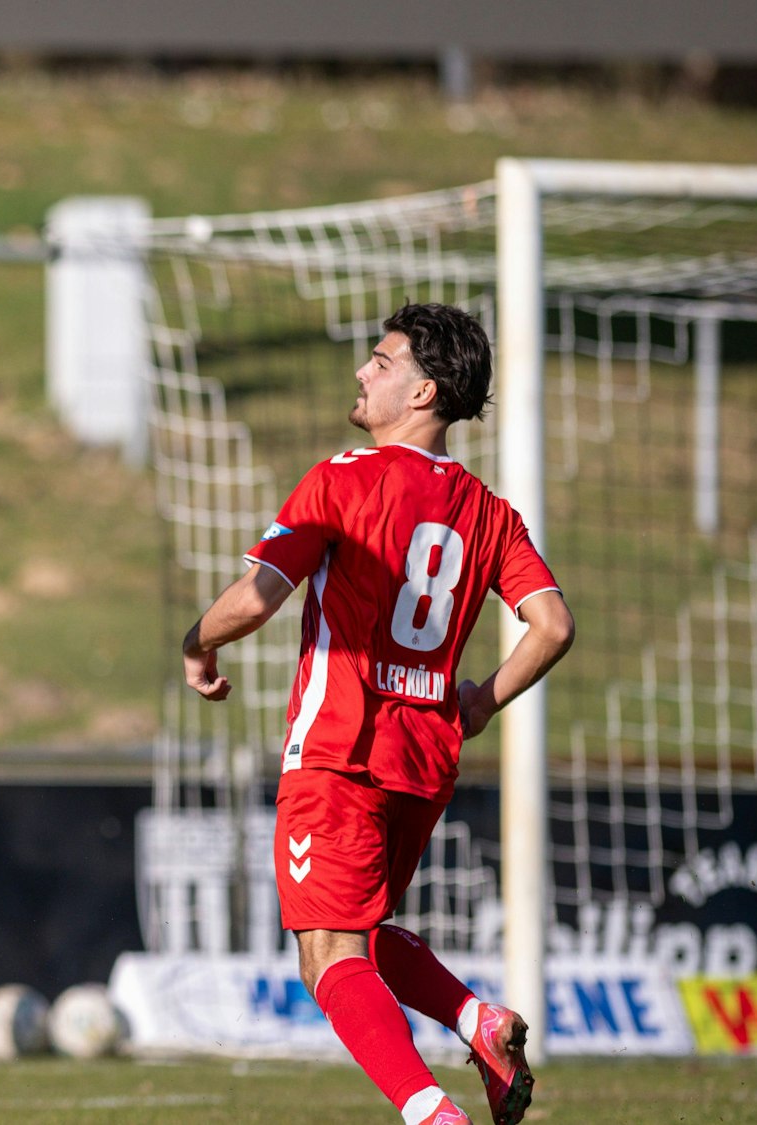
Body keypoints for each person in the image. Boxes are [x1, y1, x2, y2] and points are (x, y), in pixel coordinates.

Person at [180, 303, 573, 1125]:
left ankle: (431, 1114)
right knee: (354, 929)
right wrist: (482, 700)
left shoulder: (343, 478)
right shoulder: (489, 511)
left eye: (382, 362)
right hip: (424, 761)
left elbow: (256, 599)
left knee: (328, 953)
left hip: (340, 750)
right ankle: (477, 1019)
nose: (363, 372)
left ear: (423, 391)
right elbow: (553, 625)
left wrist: (197, 642)